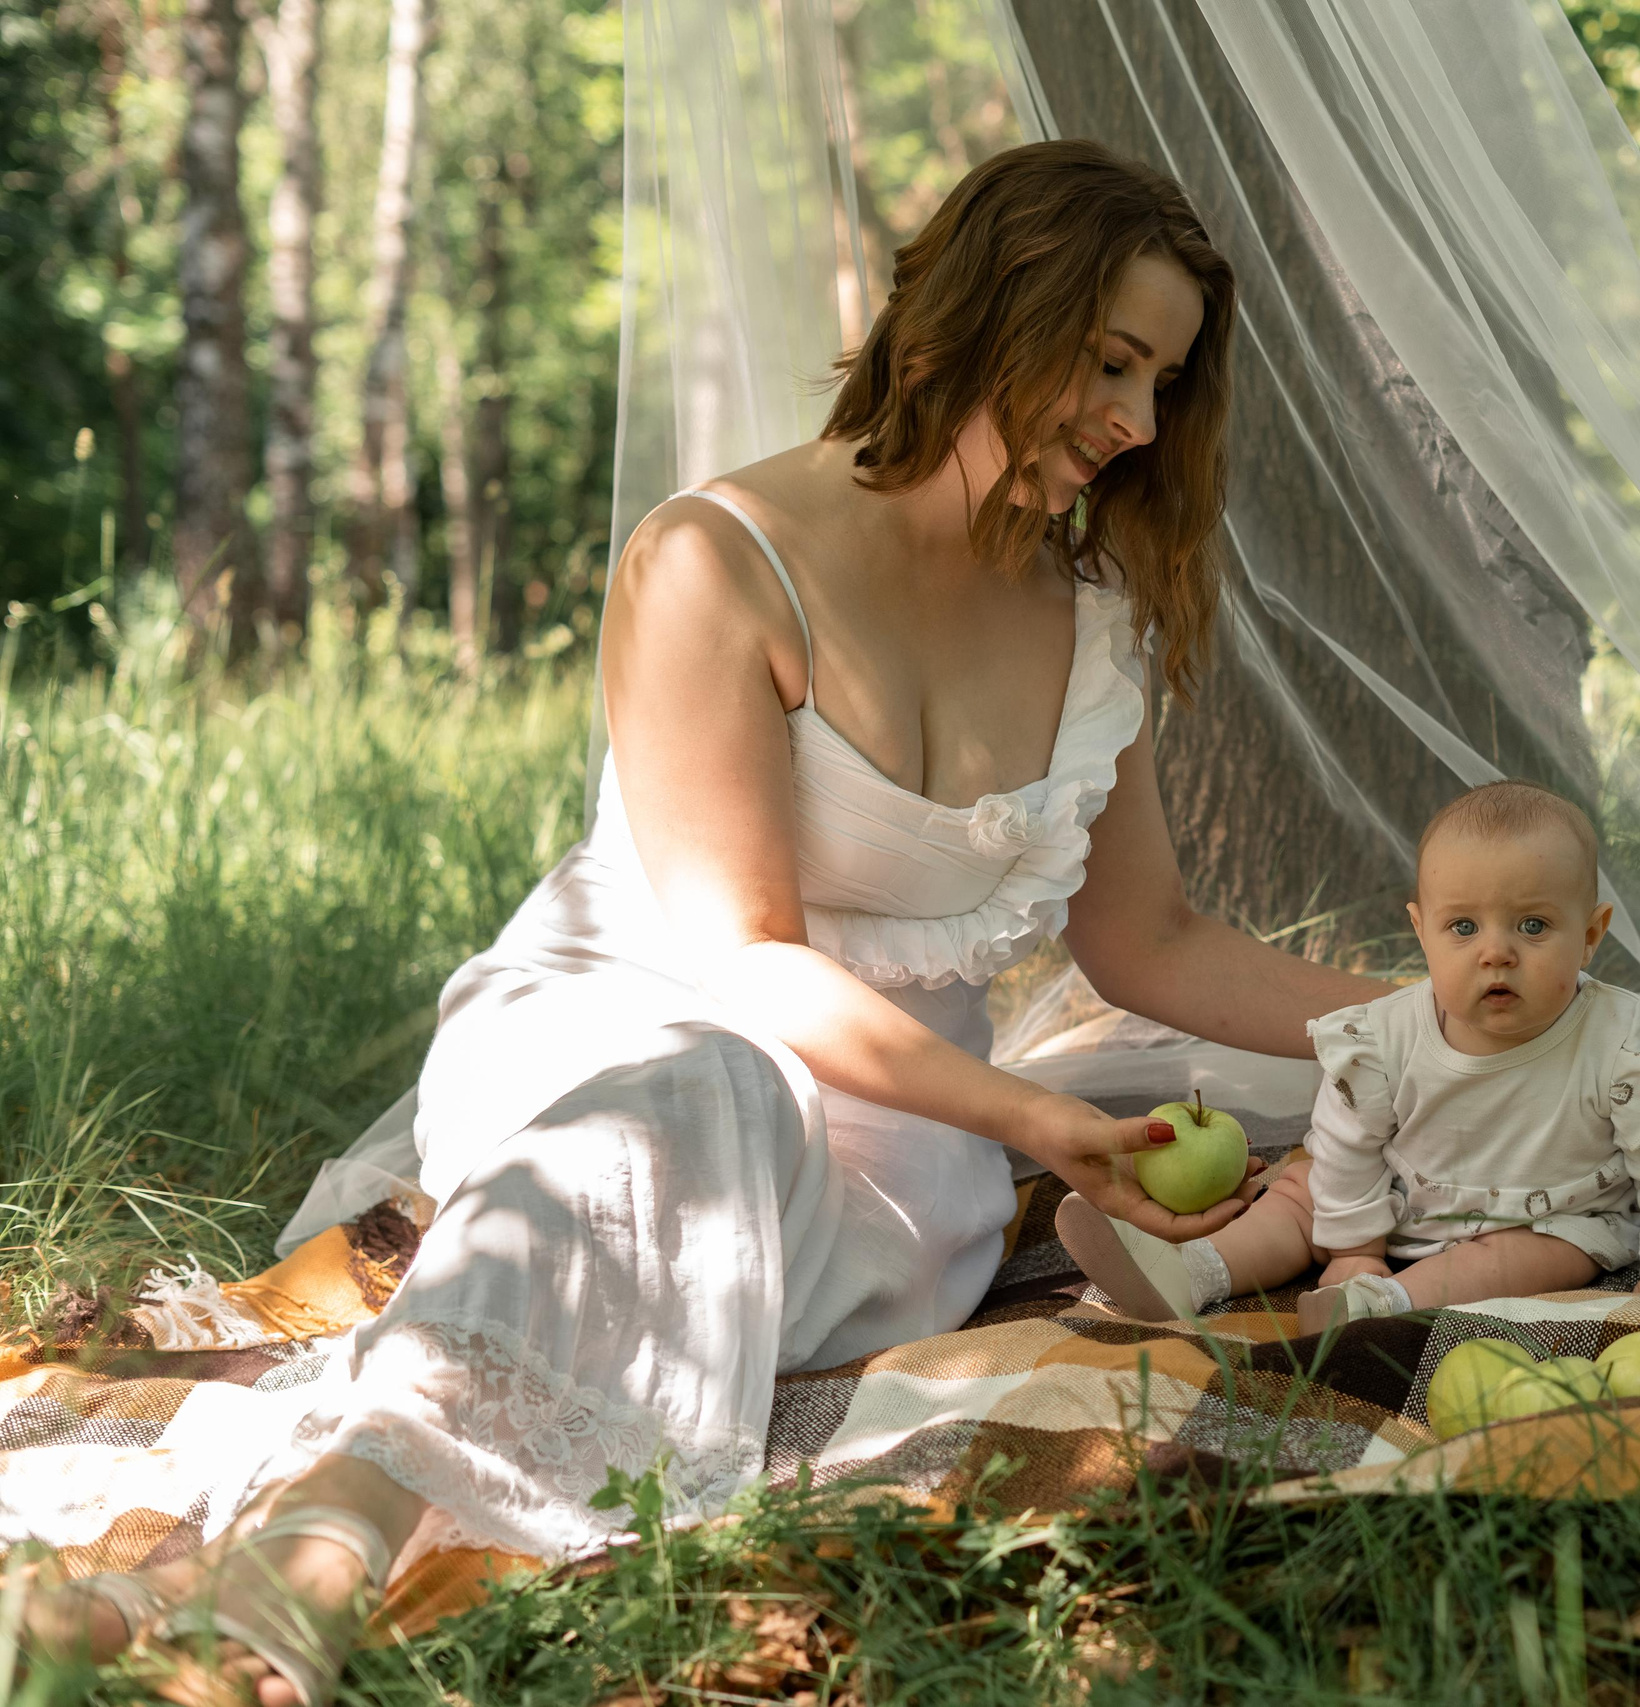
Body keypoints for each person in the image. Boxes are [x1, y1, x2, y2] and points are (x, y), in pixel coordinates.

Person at [20, 140, 1385, 1707]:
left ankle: (175, 1583)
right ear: (988, 313)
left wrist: (1416, 1019)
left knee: (714, 1166)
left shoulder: (1088, 617)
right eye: (1112, 360)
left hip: (901, 1144)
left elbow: (1156, 941)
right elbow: (745, 959)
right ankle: (316, 1556)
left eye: (1164, 381)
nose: (1139, 420)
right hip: (614, 1027)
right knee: (704, 1084)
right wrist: (1035, 1116)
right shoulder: (712, 560)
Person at [1059, 780, 1640, 1334]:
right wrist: (1354, 1246)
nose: (1496, 952)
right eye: (1463, 927)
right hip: (1397, 1192)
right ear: (1422, 932)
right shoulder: (1384, 1036)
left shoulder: (1623, 1041)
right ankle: (1193, 1271)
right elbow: (1347, 1143)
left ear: (1589, 935)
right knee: (1301, 1192)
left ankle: (1383, 1304)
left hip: (1547, 1214)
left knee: (1532, 1258)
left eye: (1533, 925)